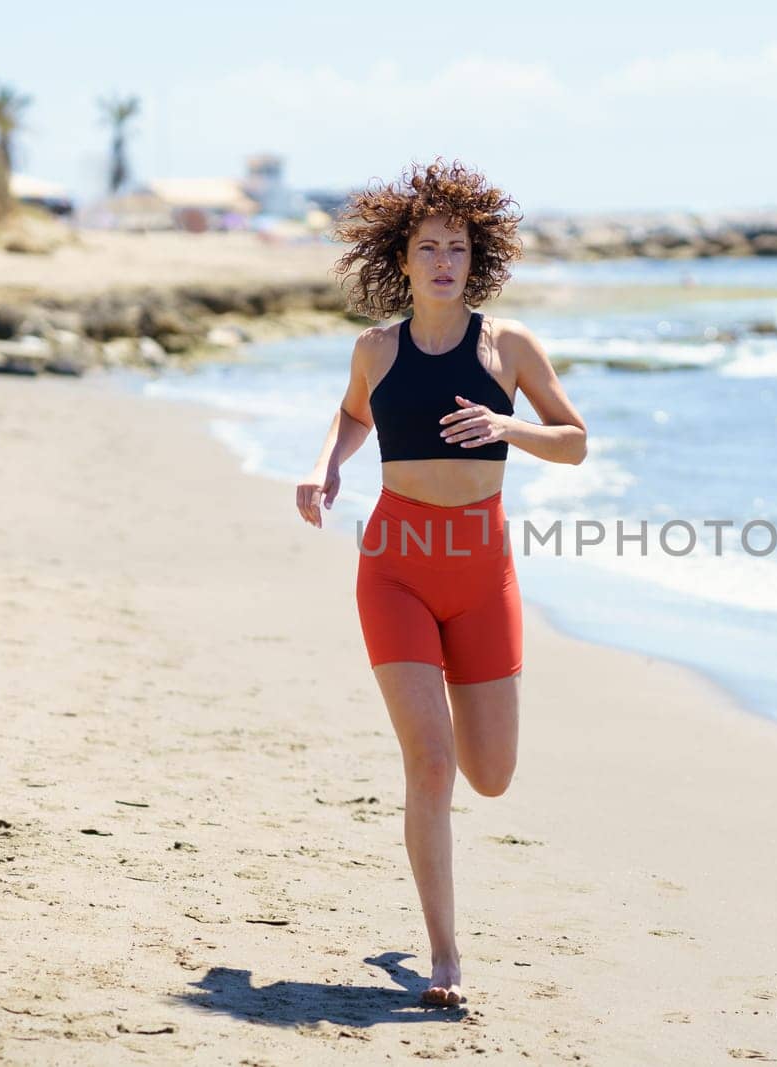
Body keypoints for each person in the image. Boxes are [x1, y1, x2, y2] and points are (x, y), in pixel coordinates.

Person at [294, 158, 588, 1007]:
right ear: (403, 257)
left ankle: (431, 946)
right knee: (432, 760)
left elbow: (575, 442)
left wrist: (507, 423)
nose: (443, 261)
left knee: (490, 773)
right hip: (395, 566)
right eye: (428, 247)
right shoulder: (375, 348)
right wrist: (323, 468)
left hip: (481, 568)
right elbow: (353, 414)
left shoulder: (509, 346)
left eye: (457, 247)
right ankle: (444, 956)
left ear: (477, 257)